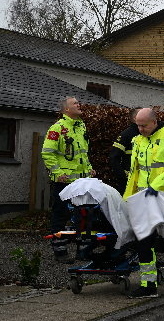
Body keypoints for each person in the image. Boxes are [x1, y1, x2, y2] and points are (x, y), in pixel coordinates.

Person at [123, 108, 164, 298]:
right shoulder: (137, 140)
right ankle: (148, 285)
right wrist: (128, 197)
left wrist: (155, 185)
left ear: (154, 122)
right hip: (144, 199)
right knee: (143, 241)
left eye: (143, 125)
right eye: (138, 125)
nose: (140, 129)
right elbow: (135, 172)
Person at [41, 96, 95, 263]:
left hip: (82, 183)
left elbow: (82, 154)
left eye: (79, 102)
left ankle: (83, 251)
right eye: (75, 103)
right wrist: (58, 173)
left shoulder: (81, 126)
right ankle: (60, 251)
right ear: (66, 110)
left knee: (83, 216)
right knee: (60, 215)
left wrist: (89, 168)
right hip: (63, 184)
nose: (79, 104)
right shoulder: (57, 128)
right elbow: (47, 153)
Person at [108, 107, 141, 192]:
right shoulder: (126, 135)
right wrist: (123, 176)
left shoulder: (148, 134)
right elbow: (113, 158)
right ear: (135, 118)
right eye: (142, 113)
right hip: (128, 182)